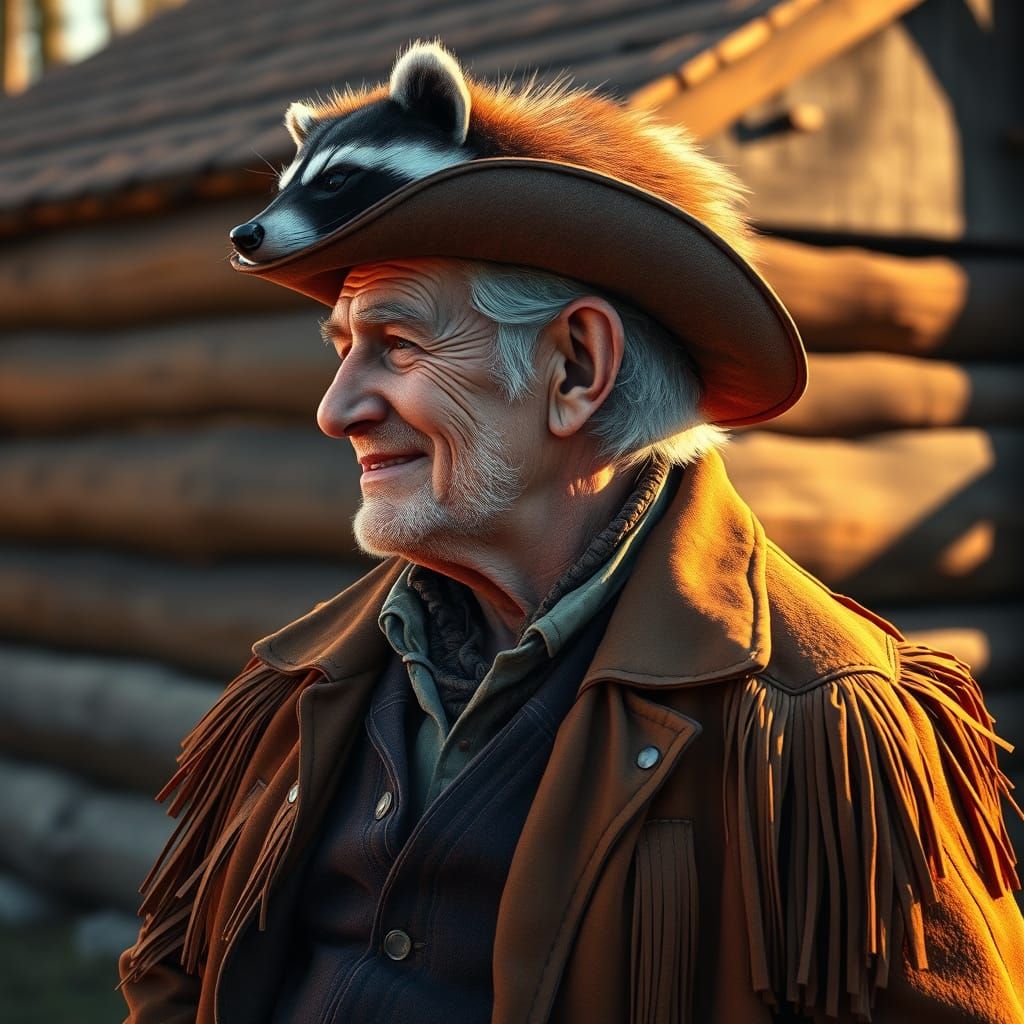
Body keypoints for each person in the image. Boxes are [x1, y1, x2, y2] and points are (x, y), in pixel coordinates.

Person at [120, 41, 1024, 1024]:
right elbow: (175, 983)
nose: (337, 410)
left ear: (578, 369)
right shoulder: (301, 684)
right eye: (342, 350)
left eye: (397, 344)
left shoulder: (816, 723)